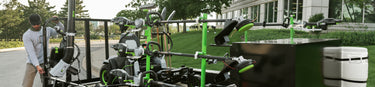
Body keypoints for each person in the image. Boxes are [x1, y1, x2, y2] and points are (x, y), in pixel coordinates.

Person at [22, 14, 64, 87]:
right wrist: (37, 65)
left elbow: (61, 31)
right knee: (26, 84)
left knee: (47, 83)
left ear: (40, 21)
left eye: (38, 23)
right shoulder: (27, 35)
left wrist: (58, 23)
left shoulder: (47, 30)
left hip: (45, 61)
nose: (36, 26)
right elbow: (31, 52)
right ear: (30, 23)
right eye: (34, 24)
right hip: (32, 62)